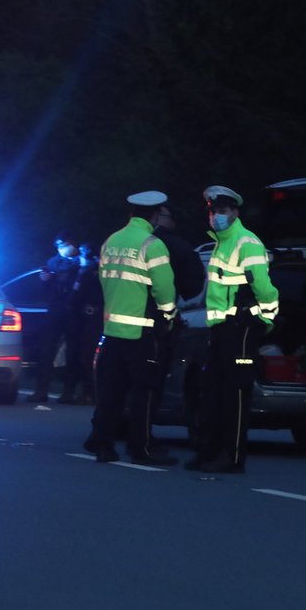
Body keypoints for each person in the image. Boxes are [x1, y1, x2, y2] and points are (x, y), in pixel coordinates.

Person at [184, 185, 279, 474]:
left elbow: (263, 287)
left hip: (241, 327)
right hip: (221, 329)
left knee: (235, 394)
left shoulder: (245, 241)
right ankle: (208, 451)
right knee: (213, 392)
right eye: (213, 211)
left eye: (222, 211)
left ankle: (232, 456)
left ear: (235, 212)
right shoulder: (222, 243)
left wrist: (267, 318)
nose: (216, 216)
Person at [84, 191, 179, 466]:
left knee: (110, 391)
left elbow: (104, 280)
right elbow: (164, 288)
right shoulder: (153, 244)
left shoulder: (111, 241)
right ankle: (142, 448)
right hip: (142, 333)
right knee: (144, 392)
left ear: (131, 213)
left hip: (112, 330)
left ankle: (103, 445)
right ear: (154, 215)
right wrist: (169, 315)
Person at [149, 202, 205, 444]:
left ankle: (104, 438)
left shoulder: (119, 242)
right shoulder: (176, 247)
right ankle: (143, 441)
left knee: (123, 381)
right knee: (151, 381)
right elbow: (192, 286)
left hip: (118, 327)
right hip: (158, 327)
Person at [28, 231, 82, 404]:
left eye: (65, 244)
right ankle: (41, 391)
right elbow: (45, 291)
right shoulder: (53, 262)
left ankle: (68, 393)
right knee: (46, 351)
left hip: (75, 312)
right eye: (60, 246)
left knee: (73, 352)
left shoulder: (83, 262)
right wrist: (46, 280)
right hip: (55, 310)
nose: (63, 248)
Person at [60, 242, 103, 405]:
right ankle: (86, 392)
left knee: (79, 355)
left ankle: (77, 392)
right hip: (95, 317)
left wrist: (70, 306)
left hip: (83, 318)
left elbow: (74, 296)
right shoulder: (107, 272)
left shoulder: (86, 271)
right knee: (87, 355)